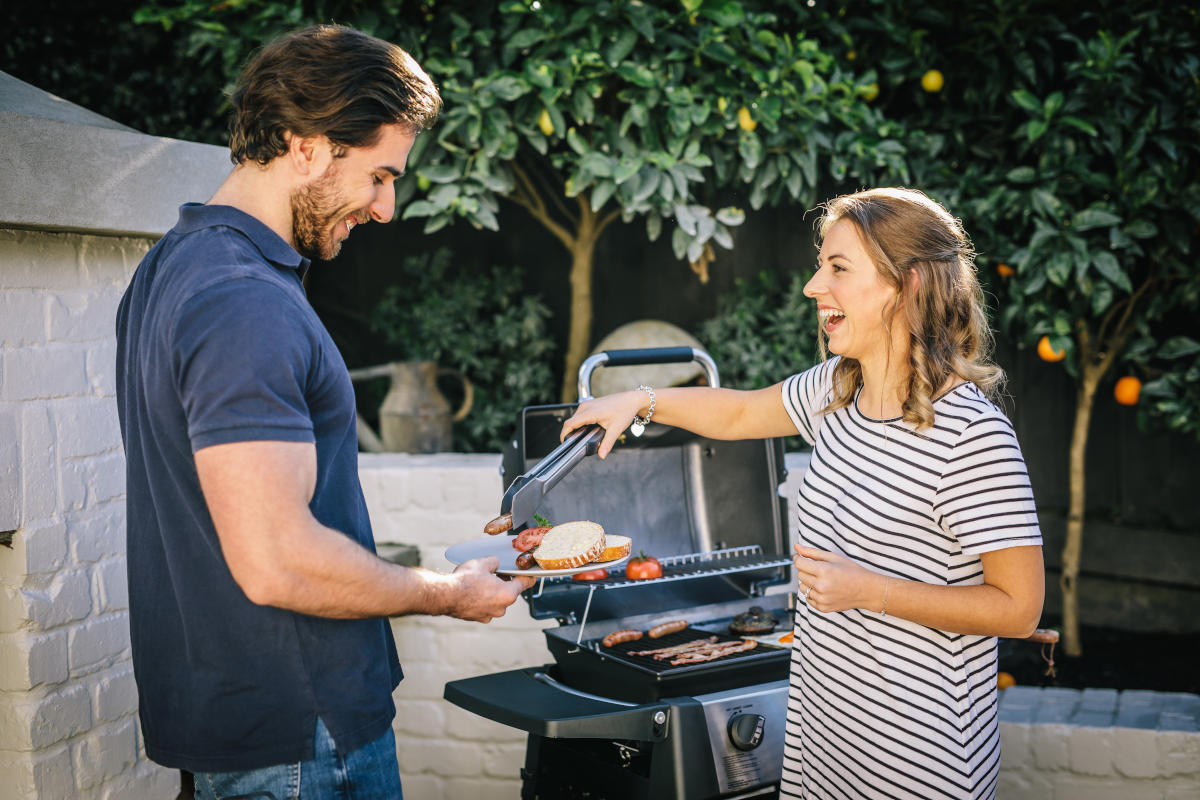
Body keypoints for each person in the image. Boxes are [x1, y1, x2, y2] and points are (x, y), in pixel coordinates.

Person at [115, 25, 534, 799]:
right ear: (307, 147)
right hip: (301, 740)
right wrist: (448, 593)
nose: (386, 208)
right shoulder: (243, 301)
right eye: (379, 175)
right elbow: (278, 558)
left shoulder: (169, 272)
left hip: (245, 729)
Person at [561, 187, 1044, 799]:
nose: (814, 286)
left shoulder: (970, 435)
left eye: (838, 268)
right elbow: (737, 414)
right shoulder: (837, 393)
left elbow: (1019, 606)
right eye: (821, 265)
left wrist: (871, 590)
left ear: (910, 284)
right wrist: (641, 400)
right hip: (825, 740)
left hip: (919, 758)